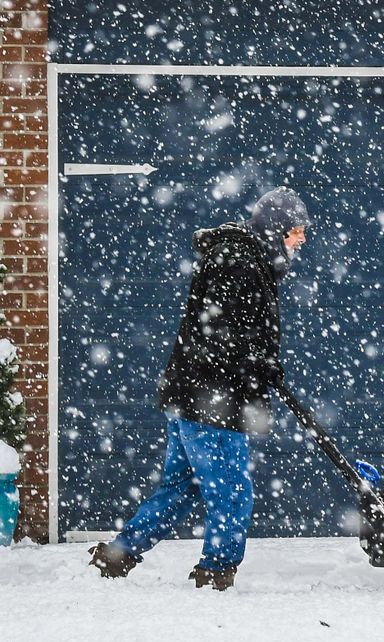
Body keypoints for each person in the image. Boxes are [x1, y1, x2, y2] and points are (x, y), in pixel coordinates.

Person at [88, 187, 310, 590]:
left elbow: (230, 330)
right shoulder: (240, 261)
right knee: (230, 489)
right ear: (277, 229)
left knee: (184, 486)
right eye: (296, 230)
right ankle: (217, 569)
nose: (302, 239)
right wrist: (259, 362)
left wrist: (261, 361)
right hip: (213, 399)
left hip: (194, 394)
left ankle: (120, 552)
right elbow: (223, 333)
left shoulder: (243, 255)